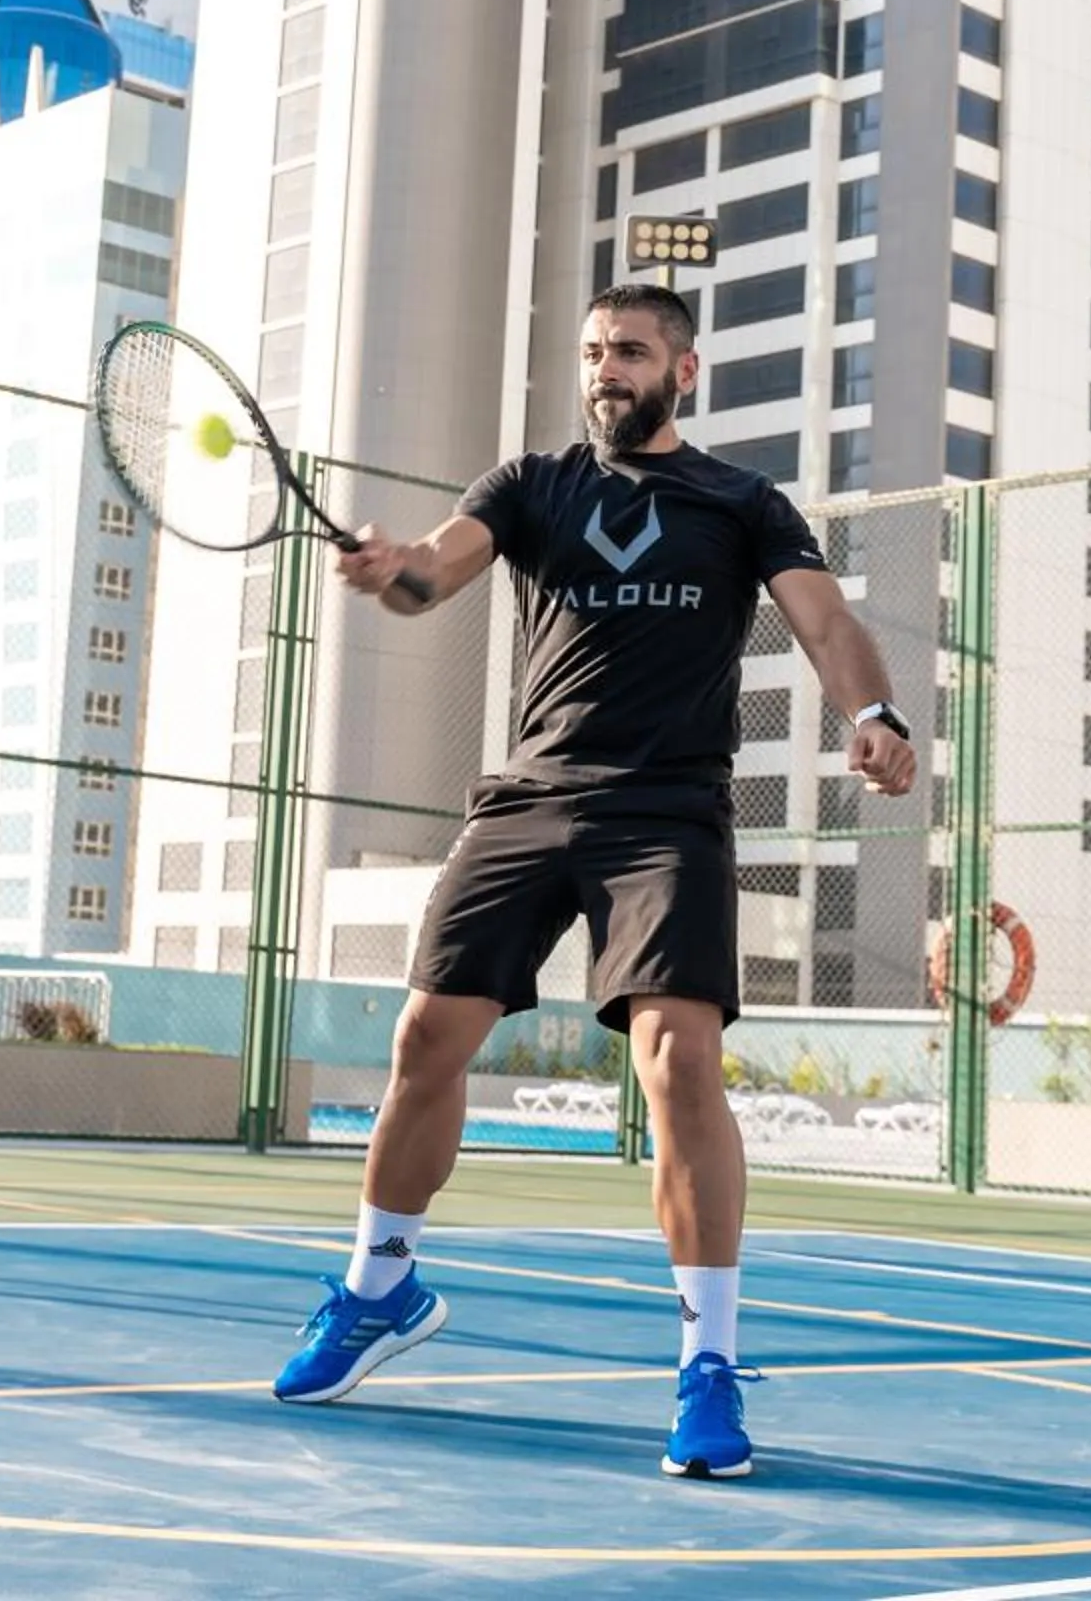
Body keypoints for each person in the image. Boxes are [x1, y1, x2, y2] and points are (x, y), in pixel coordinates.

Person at [268, 283, 917, 1480]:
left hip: (666, 810)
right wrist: (394, 566)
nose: (606, 369)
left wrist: (872, 711)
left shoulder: (741, 501)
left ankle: (708, 1363)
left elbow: (826, 623)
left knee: (679, 1059)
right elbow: (435, 572)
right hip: (530, 797)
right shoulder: (530, 485)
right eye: (592, 352)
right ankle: (379, 1287)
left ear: (684, 370)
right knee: (425, 1038)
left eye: (629, 351)